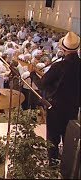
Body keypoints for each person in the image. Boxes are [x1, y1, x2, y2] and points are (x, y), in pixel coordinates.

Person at [31, 32, 80, 164]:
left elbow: (42, 84)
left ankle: (52, 164)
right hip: (74, 108)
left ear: (63, 49)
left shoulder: (59, 66)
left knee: (53, 138)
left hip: (56, 108)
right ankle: (68, 164)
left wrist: (32, 74)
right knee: (68, 137)